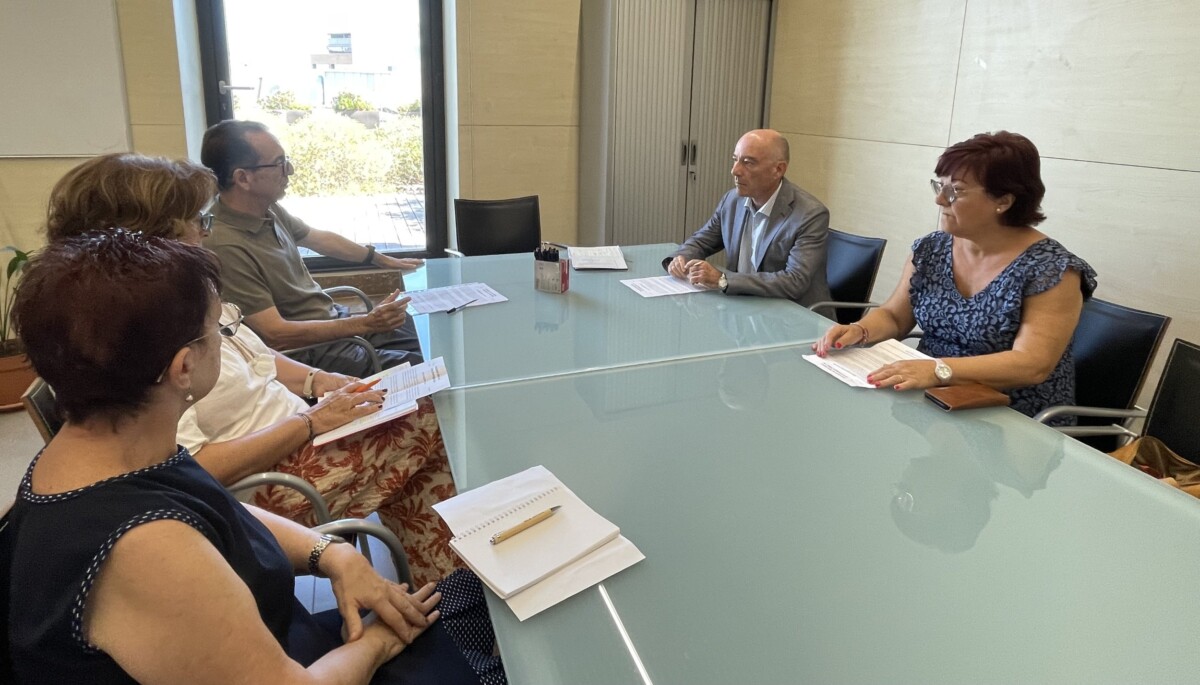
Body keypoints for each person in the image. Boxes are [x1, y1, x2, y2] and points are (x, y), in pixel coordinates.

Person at [3, 230, 502, 684]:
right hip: (304, 665)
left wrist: (331, 553)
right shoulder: (148, 552)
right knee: (481, 637)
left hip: (282, 642)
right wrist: (379, 641)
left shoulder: (100, 450)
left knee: (463, 601)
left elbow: (218, 505)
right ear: (185, 365)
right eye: (217, 330)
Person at [44, 153, 457, 585]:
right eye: (198, 220)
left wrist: (322, 383)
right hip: (265, 479)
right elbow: (185, 470)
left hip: (295, 429)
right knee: (430, 421)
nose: (206, 231)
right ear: (157, 237)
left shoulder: (179, 295)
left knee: (412, 410)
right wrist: (311, 421)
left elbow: (259, 356)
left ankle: (436, 577)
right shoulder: (139, 341)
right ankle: (447, 584)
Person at [813, 131, 1098, 422]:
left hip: (1014, 417)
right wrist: (860, 331)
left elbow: (1031, 365)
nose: (939, 199)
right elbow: (895, 317)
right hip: (930, 400)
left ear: (1003, 201)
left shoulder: (1052, 270)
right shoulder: (931, 249)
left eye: (956, 191)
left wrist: (939, 369)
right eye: (940, 185)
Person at [199, 119, 423, 377]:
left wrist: (379, 258)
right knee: (427, 365)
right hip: (313, 351)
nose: (290, 170)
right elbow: (276, 335)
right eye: (280, 163)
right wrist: (363, 324)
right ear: (243, 178)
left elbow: (319, 239)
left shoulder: (265, 208)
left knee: (429, 329)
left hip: (335, 324)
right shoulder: (223, 244)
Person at [662, 129, 832, 306]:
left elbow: (795, 281)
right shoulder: (732, 200)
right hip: (746, 307)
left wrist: (723, 279)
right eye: (735, 160)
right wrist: (680, 259)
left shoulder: (810, 214)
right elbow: (701, 241)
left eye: (748, 163)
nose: (735, 171)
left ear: (778, 169)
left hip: (793, 315)